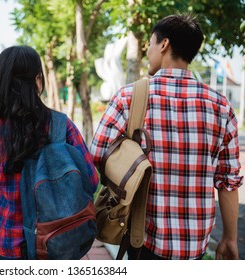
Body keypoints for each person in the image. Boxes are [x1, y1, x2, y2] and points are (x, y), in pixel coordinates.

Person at [90, 14, 243, 260]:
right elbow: (228, 182)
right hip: (195, 247)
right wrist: (229, 238)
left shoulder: (129, 98)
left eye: (150, 43)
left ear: (164, 44)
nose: (148, 50)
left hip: (143, 239)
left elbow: (97, 155)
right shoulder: (221, 106)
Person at [0, 45, 99, 260]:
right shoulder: (62, 125)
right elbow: (91, 179)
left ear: (0, 83)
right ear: (38, 79)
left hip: (8, 244)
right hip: (56, 240)